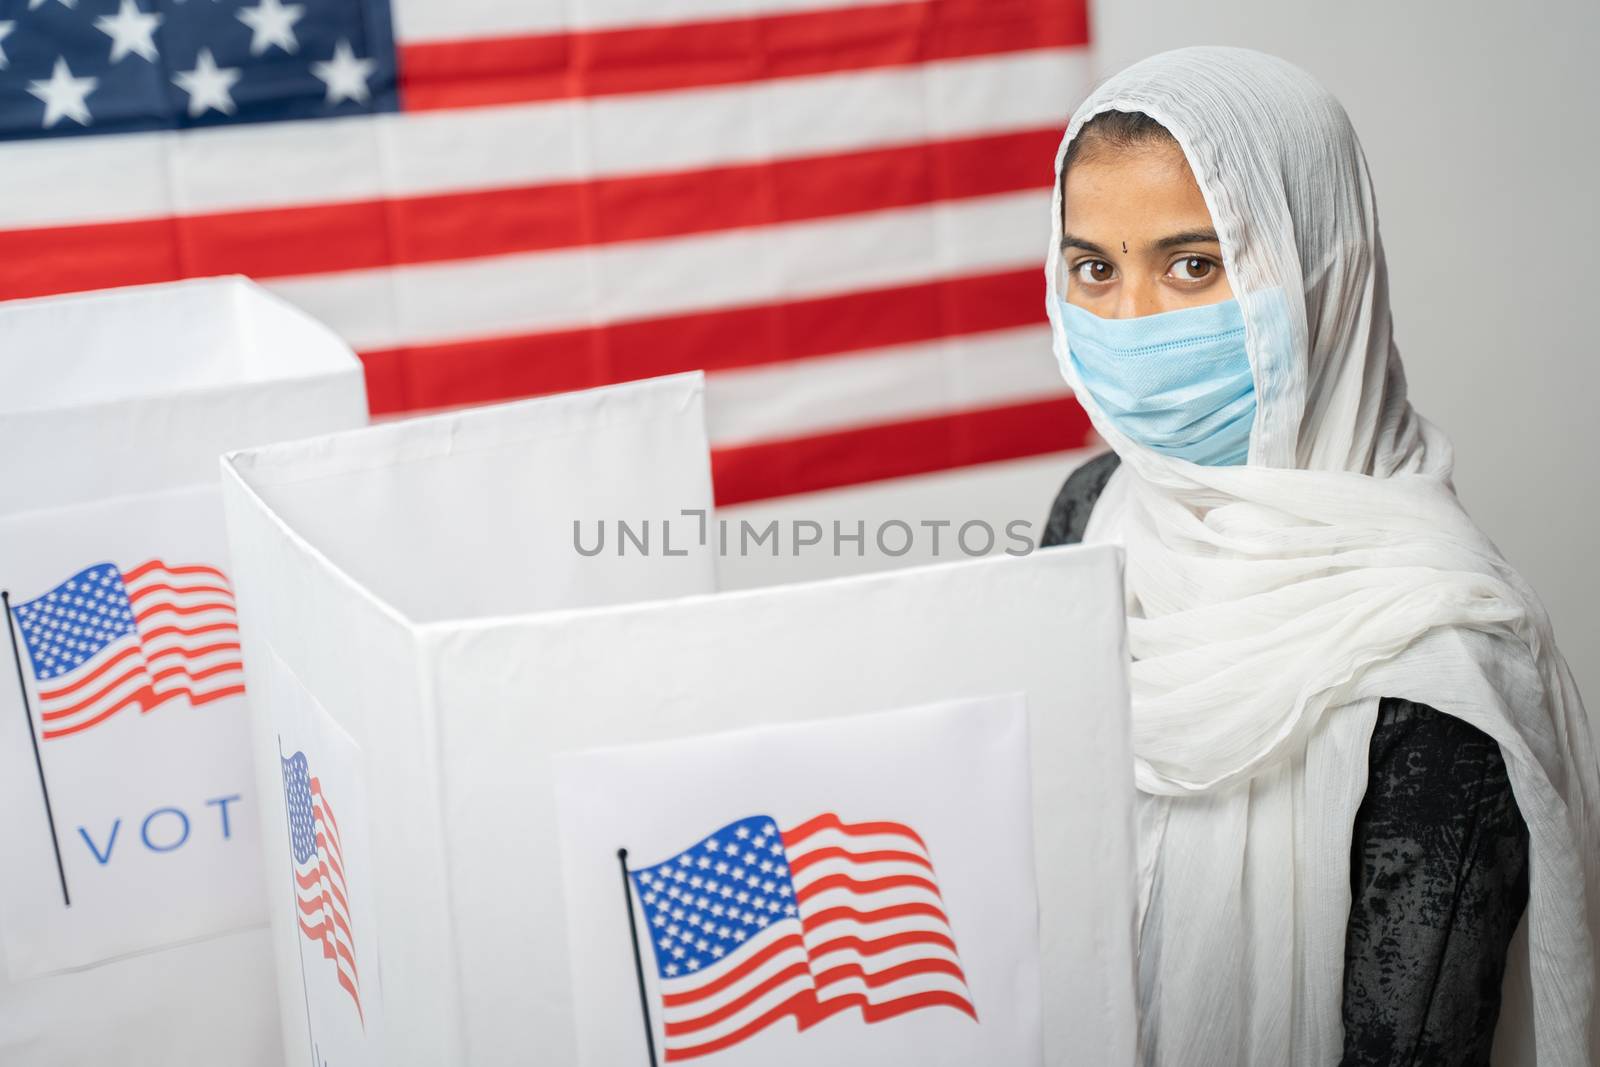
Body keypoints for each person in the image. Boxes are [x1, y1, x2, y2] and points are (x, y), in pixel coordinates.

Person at [1037, 47, 1599, 1066]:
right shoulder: (1091, 512)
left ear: (1320, 272)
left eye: (1193, 264)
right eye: (1093, 268)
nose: (1129, 323)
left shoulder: (1438, 661)